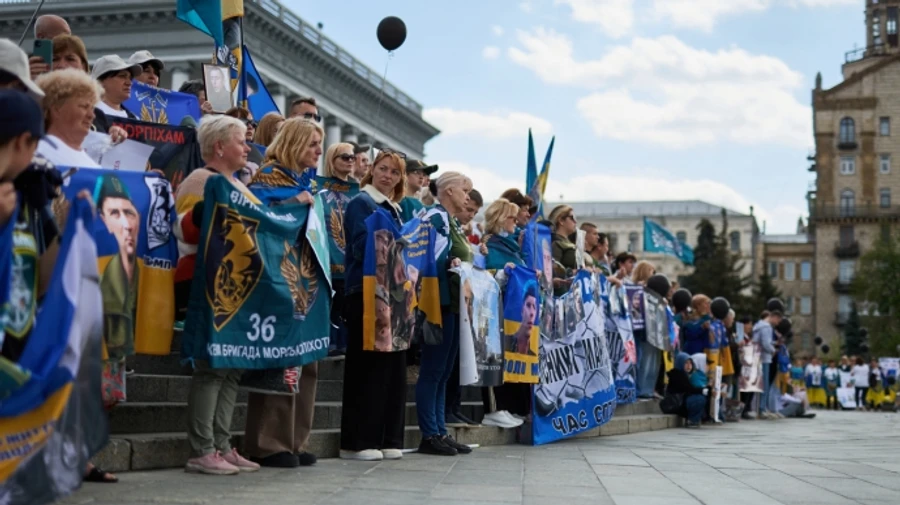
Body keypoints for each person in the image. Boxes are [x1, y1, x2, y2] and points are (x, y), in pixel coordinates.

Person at [240, 118, 323, 468]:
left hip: (307, 282)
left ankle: (294, 440)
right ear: (292, 143)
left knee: (306, 363)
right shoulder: (266, 178)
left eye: (320, 145)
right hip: (277, 279)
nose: (318, 151)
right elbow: (257, 221)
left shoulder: (302, 181)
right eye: (311, 145)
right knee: (278, 362)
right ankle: (266, 443)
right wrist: (294, 203)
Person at [180, 115, 260, 475]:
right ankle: (202, 448)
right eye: (242, 141)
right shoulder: (201, 180)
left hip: (239, 289)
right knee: (213, 369)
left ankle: (223, 444)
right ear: (219, 147)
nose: (248, 148)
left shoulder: (240, 186)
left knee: (231, 370)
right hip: (211, 288)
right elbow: (186, 232)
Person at [339, 148, 407, 460]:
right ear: (372, 170)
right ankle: (357, 441)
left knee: (392, 370)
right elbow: (358, 247)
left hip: (395, 297)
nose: (387, 176)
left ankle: (387, 437)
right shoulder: (360, 202)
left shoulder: (397, 210)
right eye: (383, 168)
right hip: (365, 292)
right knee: (366, 368)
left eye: (394, 172)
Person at [418, 171, 475, 456]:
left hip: (452, 302)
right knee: (433, 370)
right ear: (449, 190)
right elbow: (425, 254)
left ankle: (439, 429)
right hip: (437, 301)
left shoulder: (450, 221)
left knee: (443, 371)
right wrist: (450, 261)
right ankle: (430, 433)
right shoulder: (434, 217)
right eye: (465, 190)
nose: (468, 196)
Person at [318, 142, 360, 356]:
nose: (350, 160)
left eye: (352, 157)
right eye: (344, 157)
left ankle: (341, 344)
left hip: (350, 260)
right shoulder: (320, 190)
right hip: (326, 259)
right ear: (332, 160)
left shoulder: (358, 192)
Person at [96, 174, 140, 361]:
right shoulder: (98, 287)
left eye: (129, 212)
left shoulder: (150, 277)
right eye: (114, 213)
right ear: (104, 221)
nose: (126, 224)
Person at [34, 69, 102, 167]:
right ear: (57, 110)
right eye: (84, 106)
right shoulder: (38, 153)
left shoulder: (93, 164)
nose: (92, 115)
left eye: (92, 108)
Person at [665, 352, 709, 428]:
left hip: (682, 402)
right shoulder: (677, 375)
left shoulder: (687, 375)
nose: (689, 366)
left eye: (690, 363)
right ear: (680, 363)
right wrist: (704, 391)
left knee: (701, 397)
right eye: (686, 363)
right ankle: (692, 420)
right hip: (676, 404)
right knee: (699, 399)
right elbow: (688, 389)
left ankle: (697, 419)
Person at [91, 55, 141, 120]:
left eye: (130, 78)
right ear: (100, 82)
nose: (129, 83)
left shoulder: (135, 119)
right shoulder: (88, 115)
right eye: (122, 76)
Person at [753, 310, 782, 419]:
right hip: (765, 358)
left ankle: (762, 407)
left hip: (758, 356)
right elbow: (765, 343)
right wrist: (773, 349)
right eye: (778, 320)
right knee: (764, 384)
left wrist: (772, 343)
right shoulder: (766, 327)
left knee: (762, 384)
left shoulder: (758, 326)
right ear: (774, 317)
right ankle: (762, 408)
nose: (778, 323)